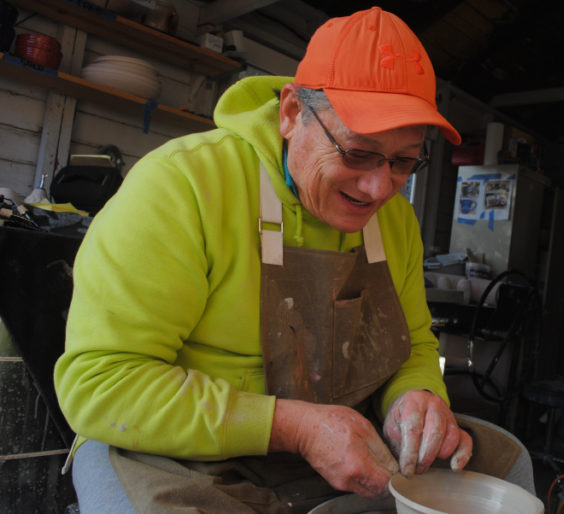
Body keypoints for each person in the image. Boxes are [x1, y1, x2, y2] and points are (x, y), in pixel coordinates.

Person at [54, 6, 534, 512]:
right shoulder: (182, 186)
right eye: (357, 152)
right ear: (291, 114)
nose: (378, 189)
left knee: (505, 462)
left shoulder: (396, 222)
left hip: (342, 440)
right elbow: (101, 383)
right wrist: (295, 428)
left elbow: (413, 345)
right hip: (174, 453)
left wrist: (412, 400)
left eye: (402, 161)